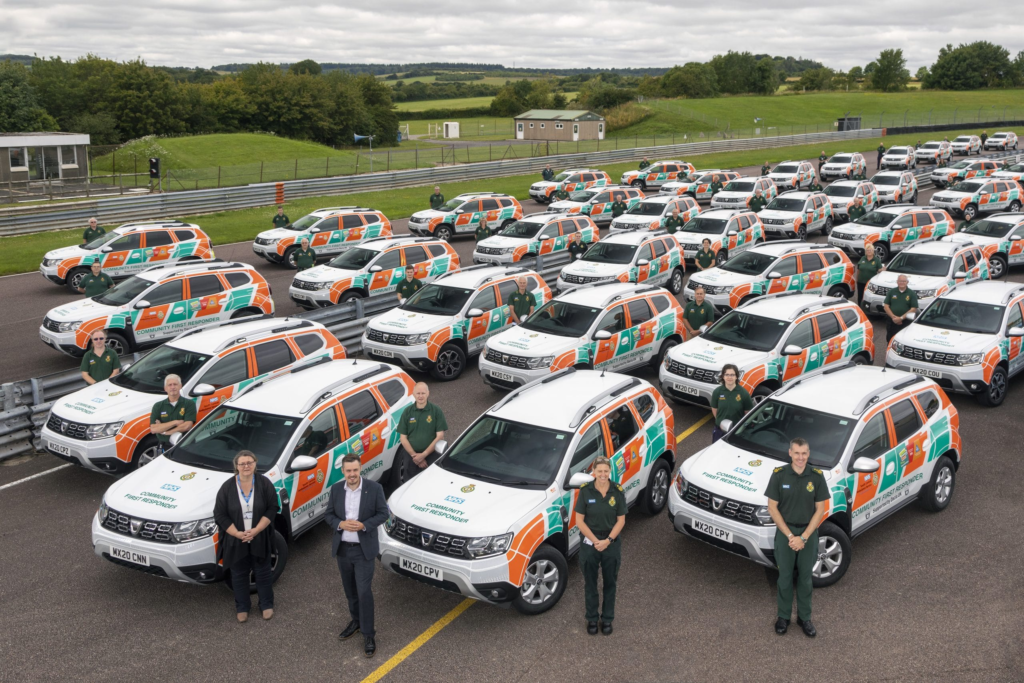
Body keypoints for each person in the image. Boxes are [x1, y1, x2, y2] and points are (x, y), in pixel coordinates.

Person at [326, 452, 389, 658]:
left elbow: (383, 513)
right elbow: (329, 515)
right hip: (343, 549)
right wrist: (340, 524)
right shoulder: (336, 489)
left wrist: (364, 525)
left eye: (355, 470)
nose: (352, 474)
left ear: (360, 468)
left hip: (364, 552)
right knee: (350, 591)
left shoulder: (374, 488)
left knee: (364, 592)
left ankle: (368, 634)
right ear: (343, 471)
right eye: (348, 471)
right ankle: (356, 621)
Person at [766, 438, 828, 638]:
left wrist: (804, 537)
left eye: (804, 453)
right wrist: (792, 536)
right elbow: (772, 508)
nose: (800, 457)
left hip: (808, 533)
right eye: (797, 453)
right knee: (784, 577)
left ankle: (805, 618)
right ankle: (783, 617)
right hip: (786, 534)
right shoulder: (779, 475)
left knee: (805, 578)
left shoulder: (817, 477)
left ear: (808, 454)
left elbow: (820, 510)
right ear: (790, 453)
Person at [213, 450, 278, 623]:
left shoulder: (264, 484)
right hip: (236, 539)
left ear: (255, 463)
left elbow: (272, 508)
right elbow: (219, 514)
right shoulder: (227, 487)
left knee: (263, 572)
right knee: (239, 574)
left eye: (249, 462)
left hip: (260, 536)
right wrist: (236, 533)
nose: (246, 466)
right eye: (242, 463)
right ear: (236, 466)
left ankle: (266, 604)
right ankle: (242, 607)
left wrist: (256, 530)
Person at [574, 456, 626, 636]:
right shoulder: (585, 491)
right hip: (590, 542)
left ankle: (607, 619)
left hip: (610, 542)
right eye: (599, 471)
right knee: (590, 583)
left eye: (606, 471)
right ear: (594, 472)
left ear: (609, 471)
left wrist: (608, 541)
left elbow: (621, 520)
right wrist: (596, 541)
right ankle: (592, 618)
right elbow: (579, 520)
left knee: (610, 582)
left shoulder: (617, 492)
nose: (603, 474)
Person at [396, 382, 447, 480]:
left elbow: (440, 436)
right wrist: (415, 456)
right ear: (413, 394)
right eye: (418, 393)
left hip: (432, 455)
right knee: (409, 483)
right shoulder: (407, 412)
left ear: (428, 393)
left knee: (432, 481)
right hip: (411, 456)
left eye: (423, 393)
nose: (420, 396)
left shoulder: (436, 411)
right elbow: (403, 438)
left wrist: (423, 455)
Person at [149, 374, 197, 451]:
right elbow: (154, 429)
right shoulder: (158, 406)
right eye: (169, 385)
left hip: (185, 444)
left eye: (175, 384)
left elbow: (187, 426)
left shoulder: (189, 403)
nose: (172, 387)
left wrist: (166, 432)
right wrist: (175, 422)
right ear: (165, 388)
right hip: (165, 445)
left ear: (180, 386)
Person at [710, 364, 753, 442]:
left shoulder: (743, 393)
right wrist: (721, 421)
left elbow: (747, 413)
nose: (729, 377)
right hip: (720, 430)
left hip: (736, 431)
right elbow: (714, 409)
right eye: (727, 374)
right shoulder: (717, 392)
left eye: (732, 375)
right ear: (723, 376)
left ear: (736, 376)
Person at [884, 274, 918, 342]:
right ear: (897, 282)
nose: (901, 283)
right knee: (890, 339)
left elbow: (913, 309)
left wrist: (901, 318)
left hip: (905, 322)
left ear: (907, 282)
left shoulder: (911, 293)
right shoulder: (892, 292)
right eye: (900, 281)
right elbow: (886, 306)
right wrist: (894, 317)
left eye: (903, 281)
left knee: (903, 340)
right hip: (892, 321)